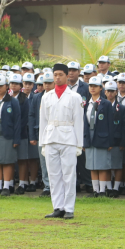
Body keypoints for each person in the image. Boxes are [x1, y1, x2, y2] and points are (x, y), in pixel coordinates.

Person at [39, 63, 85, 220]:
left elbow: (79, 121)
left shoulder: (75, 96)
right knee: (53, 175)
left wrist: (79, 144)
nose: (57, 77)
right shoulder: (46, 96)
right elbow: (43, 122)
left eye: (60, 74)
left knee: (69, 175)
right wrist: (43, 143)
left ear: (67, 76)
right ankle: (57, 207)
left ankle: (69, 208)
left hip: (68, 138)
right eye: (55, 74)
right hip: (51, 137)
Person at [83, 77, 117, 197]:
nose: (92, 88)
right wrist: (83, 140)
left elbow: (110, 123)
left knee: (102, 165)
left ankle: (102, 191)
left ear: (101, 88)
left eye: (95, 86)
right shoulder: (86, 103)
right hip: (89, 136)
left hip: (102, 137)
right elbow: (84, 124)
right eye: (90, 86)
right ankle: (95, 190)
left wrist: (110, 142)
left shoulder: (106, 103)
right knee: (92, 165)